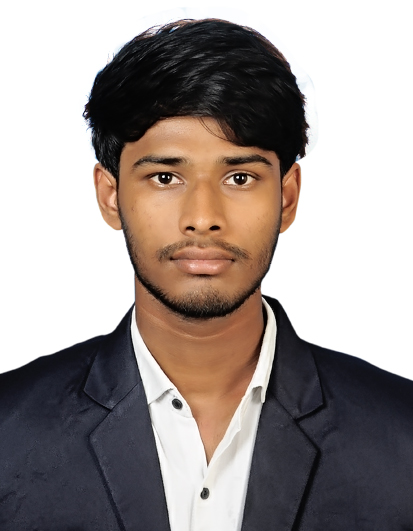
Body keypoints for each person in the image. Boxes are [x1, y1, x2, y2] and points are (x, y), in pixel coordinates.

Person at [0, 17, 412, 531]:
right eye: (165, 176)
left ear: (287, 197)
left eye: (239, 177)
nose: (202, 216)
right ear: (110, 195)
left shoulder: (401, 437)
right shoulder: (9, 434)